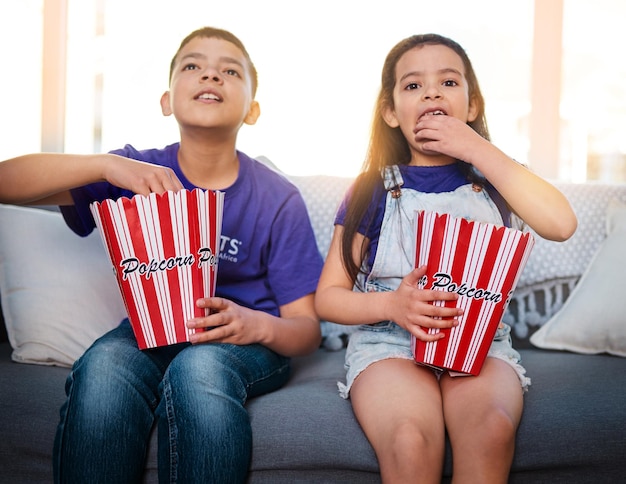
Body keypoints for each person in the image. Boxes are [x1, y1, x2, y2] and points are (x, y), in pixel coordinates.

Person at [0, 26, 323, 483]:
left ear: (252, 110)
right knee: (106, 366)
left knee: (199, 367)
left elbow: (306, 331)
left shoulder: (278, 197)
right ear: (167, 99)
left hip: (243, 340)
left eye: (229, 70)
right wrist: (105, 165)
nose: (210, 75)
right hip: (146, 332)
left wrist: (254, 325)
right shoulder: (133, 168)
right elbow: (5, 182)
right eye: (192, 66)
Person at [314, 33, 577, 483]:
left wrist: (477, 148)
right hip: (389, 344)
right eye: (413, 85)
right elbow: (329, 299)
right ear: (391, 112)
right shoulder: (372, 187)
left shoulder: (498, 177)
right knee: (409, 440)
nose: (432, 92)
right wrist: (390, 304)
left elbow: (560, 223)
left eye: (449, 82)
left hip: (481, 345)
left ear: (472, 106)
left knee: (491, 429)